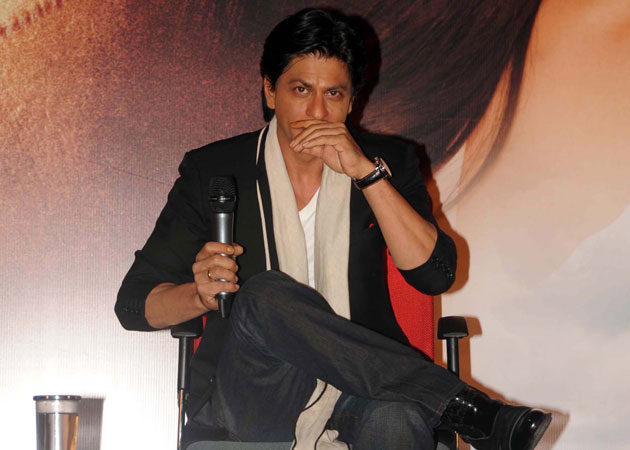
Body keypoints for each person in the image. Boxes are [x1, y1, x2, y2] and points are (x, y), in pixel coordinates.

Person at [115, 8, 551, 450]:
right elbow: (132, 306)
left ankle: (455, 409)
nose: (318, 111)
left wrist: (366, 175)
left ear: (352, 101)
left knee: (398, 418)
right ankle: (466, 409)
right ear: (270, 90)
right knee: (264, 294)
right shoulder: (215, 169)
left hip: (363, 391)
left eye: (334, 93)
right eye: (300, 89)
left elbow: (435, 275)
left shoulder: (386, 162)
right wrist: (198, 295)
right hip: (256, 391)